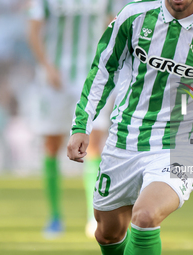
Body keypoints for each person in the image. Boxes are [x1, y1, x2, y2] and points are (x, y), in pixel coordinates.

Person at [67, 0, 193, 254]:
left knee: (145, 216)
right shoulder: (133, 15)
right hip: (125, 138)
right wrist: (82, 124)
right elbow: (104, 68)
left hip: (183, 144)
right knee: (107, 234)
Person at [28, 0, 114, 238]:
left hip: (92, 76)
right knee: (51, 145)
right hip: (54, 78)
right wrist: (47, 67)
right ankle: (55, 216)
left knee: (95, 143)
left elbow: (113, 26)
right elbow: (33, 29)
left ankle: (92, 216)